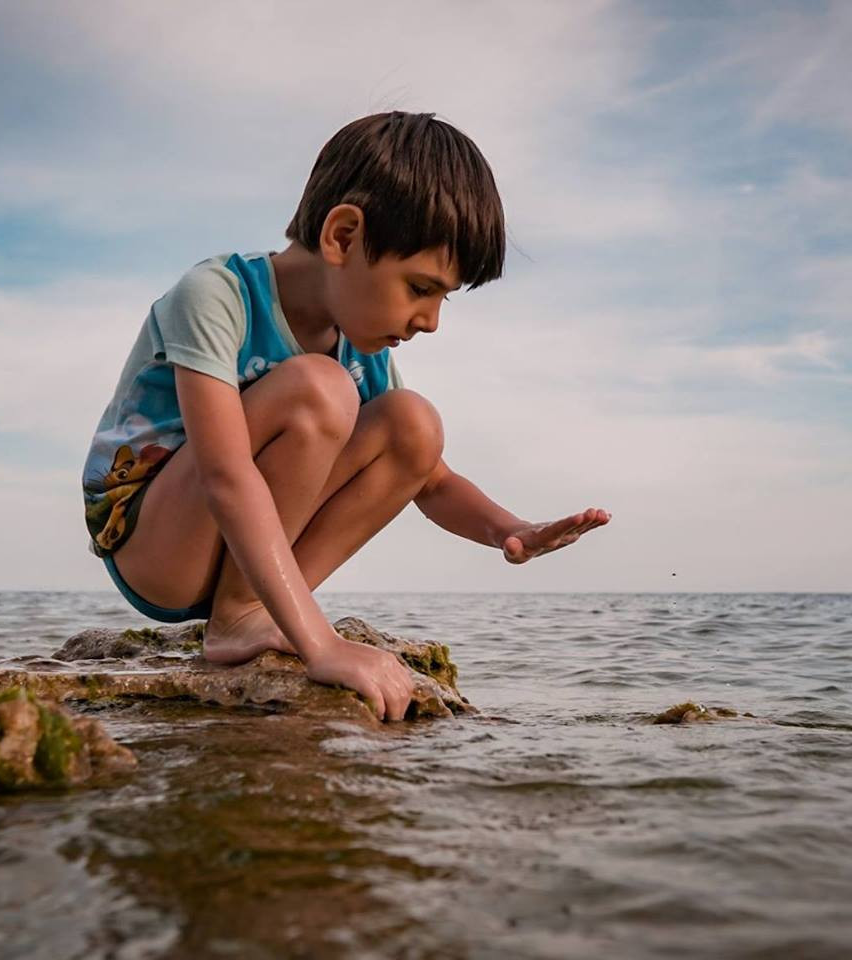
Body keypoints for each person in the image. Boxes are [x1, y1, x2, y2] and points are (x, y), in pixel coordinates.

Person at [81, 111, 610, 722]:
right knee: (320, 389)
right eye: (421, 288)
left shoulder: (359, 348)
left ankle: (256, 608)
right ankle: (244, 616)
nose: (431, 321)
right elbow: (227, 475)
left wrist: (508, 531)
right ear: (343, 236)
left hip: (237, 554)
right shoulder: (216, 295)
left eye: (443, 298)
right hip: (153, 546)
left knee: (413, 423)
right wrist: (319, 643)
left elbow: (430, 478)